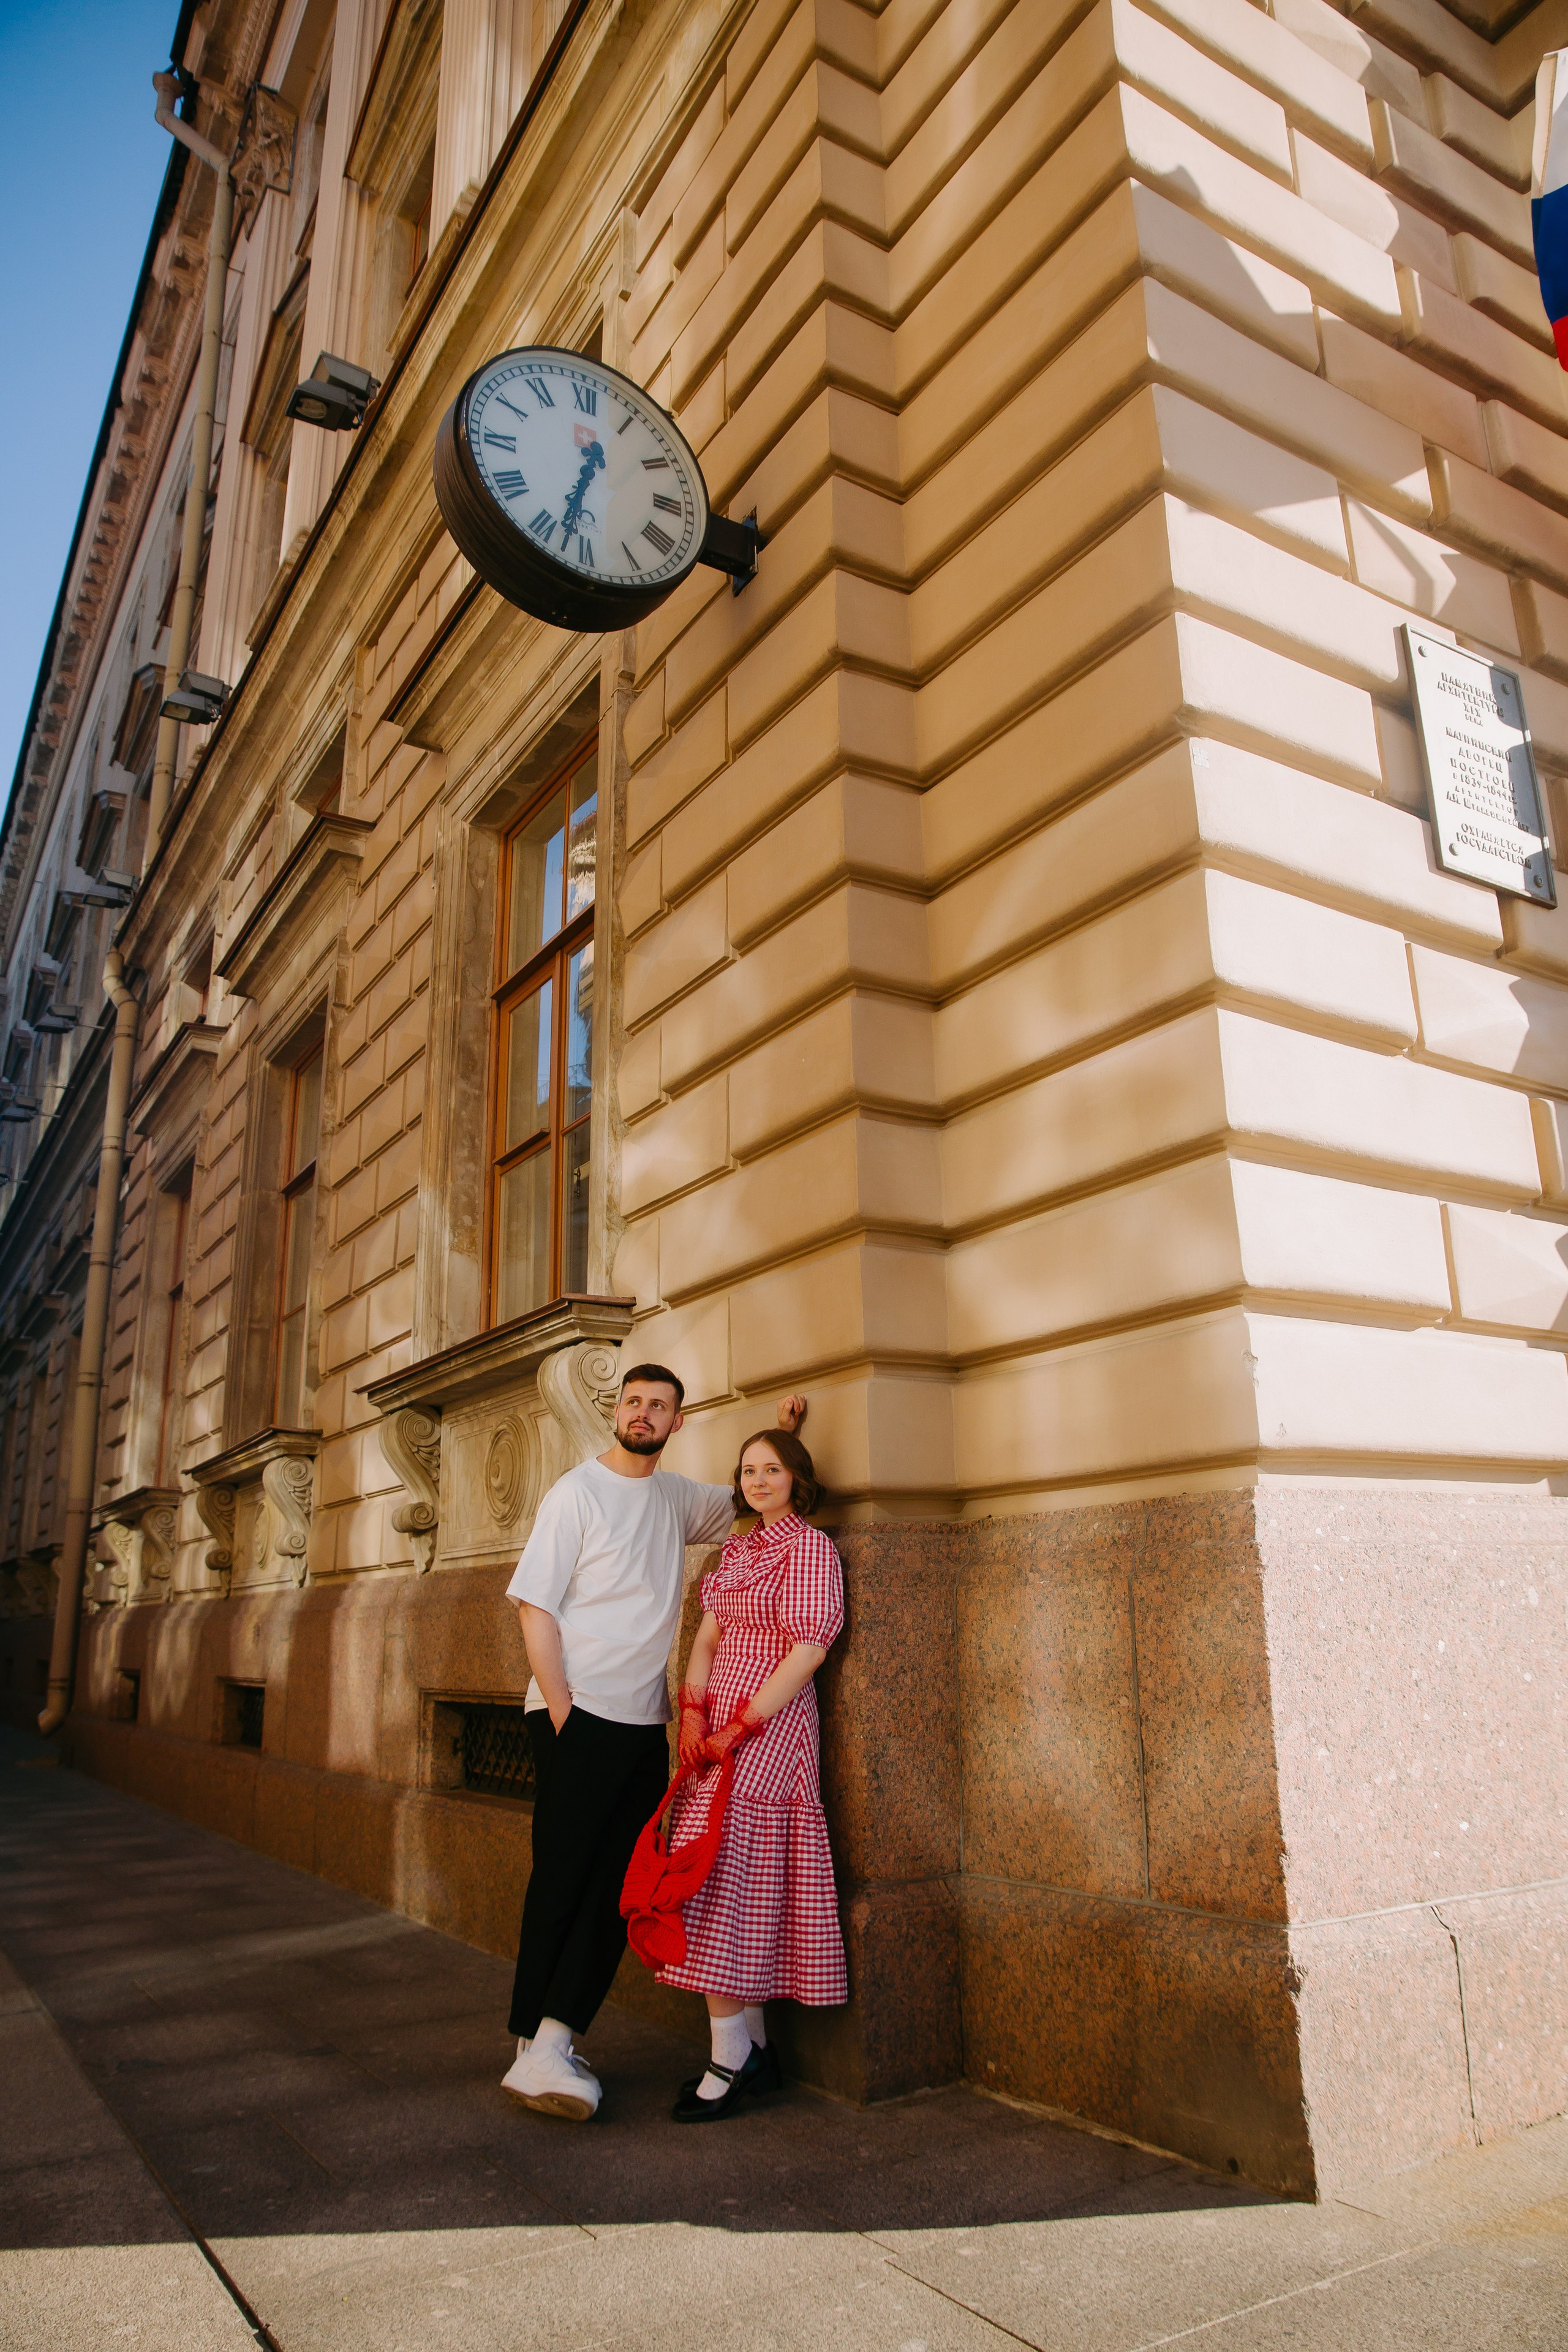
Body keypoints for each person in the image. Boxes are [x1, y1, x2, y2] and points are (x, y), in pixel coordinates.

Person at [499, 1363, 804, 2121]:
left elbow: (751, 1495)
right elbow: (533, 1608)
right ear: (618, 1410)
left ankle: (546, 2043)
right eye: (633, 1401)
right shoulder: (575, 1492)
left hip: (644, 1727)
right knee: (566, 1880)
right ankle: (539, 2044)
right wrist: (566, 1716)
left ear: (676, 1420)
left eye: (657, 1406)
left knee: (619, 1889)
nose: (642, 1413)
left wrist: (785, 1442)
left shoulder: (675, 1499)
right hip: (578, 1715)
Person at [658, 1423, 847, 2120]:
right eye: (748, 1471)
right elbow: (707, 1637)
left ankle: (729, 2056)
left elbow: (808, 1652)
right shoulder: (736, 1550)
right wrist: (693, 1713)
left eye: (772, 1469)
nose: (758, 1481)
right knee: (729, 1875)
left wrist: (741, 1724)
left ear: (796, 1478)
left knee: (727, 1875)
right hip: (715, 1729)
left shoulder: (811, 1550)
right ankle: (755, 2051)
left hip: (772, 1724)